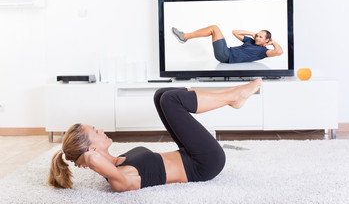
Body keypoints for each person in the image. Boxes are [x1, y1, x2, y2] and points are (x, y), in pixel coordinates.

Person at [48, 78, 262, 192]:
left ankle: (232, 97)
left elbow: (93, 157)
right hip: (204, 164)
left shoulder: (117, 163)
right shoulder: (120, 179)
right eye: (95, 131)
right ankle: (234, 96)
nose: (101, 130)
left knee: (161, 95)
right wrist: (83, 158)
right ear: (92, 150)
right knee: (171, 101)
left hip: (189, 154)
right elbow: (93, 159)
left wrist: (82, 155)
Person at [172, 25, 283, 63]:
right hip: (226, 52)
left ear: (266, 40)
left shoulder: (263, 52)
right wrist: (252, 33)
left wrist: (273, 42)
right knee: (214, 28)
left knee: (214, 28)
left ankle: (184, 36)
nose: (258, 38)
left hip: (226, 56)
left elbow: (279, 52)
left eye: (261, 37)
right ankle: (184, 36)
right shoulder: (251, 41)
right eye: (258, 35)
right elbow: (235, 32)